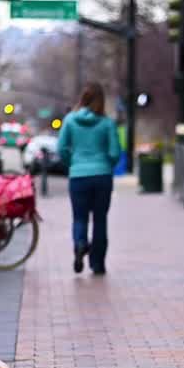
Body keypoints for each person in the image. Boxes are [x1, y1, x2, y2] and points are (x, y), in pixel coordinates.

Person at [57, 82, 121, 275]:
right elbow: (115, 152)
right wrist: (106, 165)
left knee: (79, 217)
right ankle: (98, 264)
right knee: (100, 219)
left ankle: (80, 243)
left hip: (78, 176)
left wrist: (73, 164)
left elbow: (61, 149)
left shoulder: (69, 120)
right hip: (102, 176)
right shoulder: (107, 123)